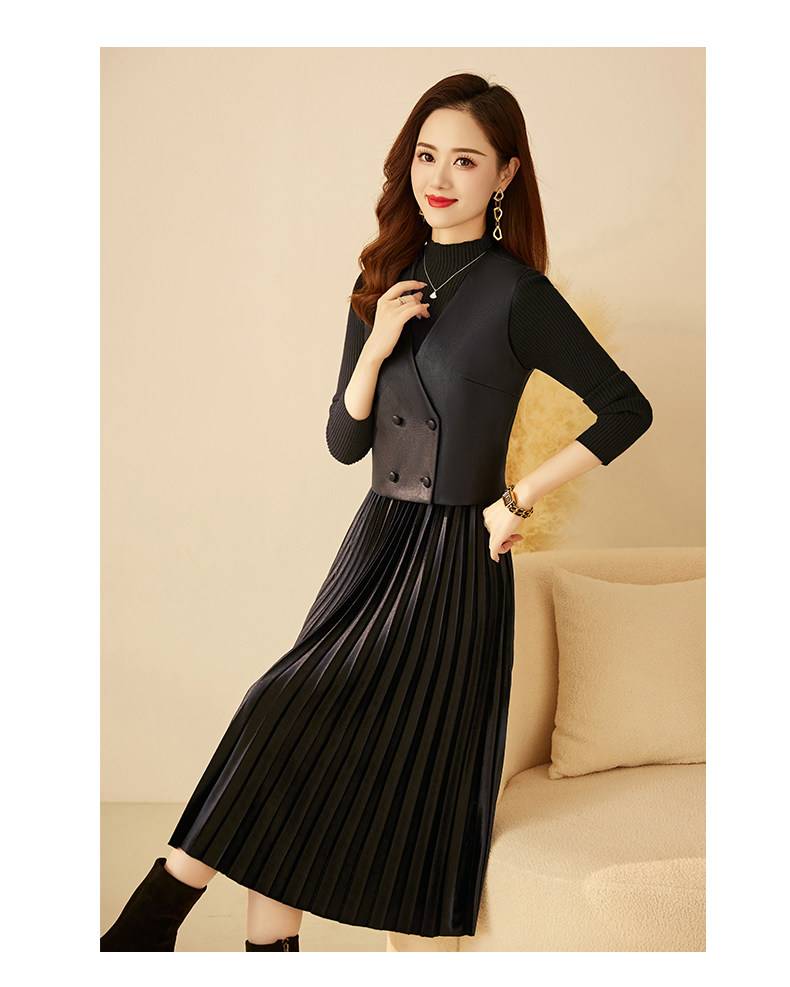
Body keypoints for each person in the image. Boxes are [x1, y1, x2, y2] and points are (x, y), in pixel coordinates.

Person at [100, 72, 653, 953]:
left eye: (465, 160)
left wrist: (519, 497)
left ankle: (146, 922)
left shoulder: (519, 294)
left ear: (505, 174)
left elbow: (627, 409)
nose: (440, 177)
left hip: (452, 561)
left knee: (281, 716)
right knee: (292, 752)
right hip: (374, 543)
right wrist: (377, 344)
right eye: (427, 156)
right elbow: (343, 441)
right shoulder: (381, 279)